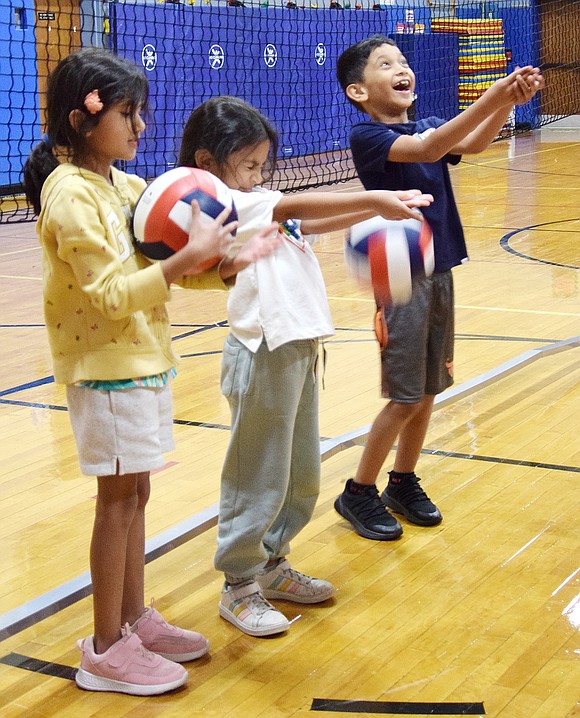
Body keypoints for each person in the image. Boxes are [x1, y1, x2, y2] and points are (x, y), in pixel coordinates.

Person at [23, 49, 280, 695]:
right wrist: (185, 260)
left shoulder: (125, 187)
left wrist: (229, 262)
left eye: (141, 112)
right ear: (84, 119)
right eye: (127, 113)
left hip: (141, 361)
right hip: (105, 367)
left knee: (134, 495)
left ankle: (133, 619)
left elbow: (172, 274)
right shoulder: (69, 195)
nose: (141, 126)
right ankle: (105, 649)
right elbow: (110, 292)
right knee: (116, 503)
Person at [178, 95, 434, 637]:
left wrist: (377, 207)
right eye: (247, 163)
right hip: (262, 350)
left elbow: (302, 218)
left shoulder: (260, 199)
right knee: (257, 476)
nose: (255, 174)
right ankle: (239, 584)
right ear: (207, 161)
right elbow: (289, 208)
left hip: (300, 348)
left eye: (259, 164)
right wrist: (374, 194)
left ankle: (272, 565)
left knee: (298, 474)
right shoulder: (219, 202)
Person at [333, 35, 543, 540]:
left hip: (440, 268)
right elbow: (428, 148)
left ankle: (402, 481)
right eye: (386, 65)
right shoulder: (370, 138)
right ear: (359, 91)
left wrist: (508, 104)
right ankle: (358, 491)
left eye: (403, 62)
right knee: (405, 396)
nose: (401, 69)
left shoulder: (425, 124)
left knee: (429, 390)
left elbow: (466, 143)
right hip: (404, 281)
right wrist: (495, 94)